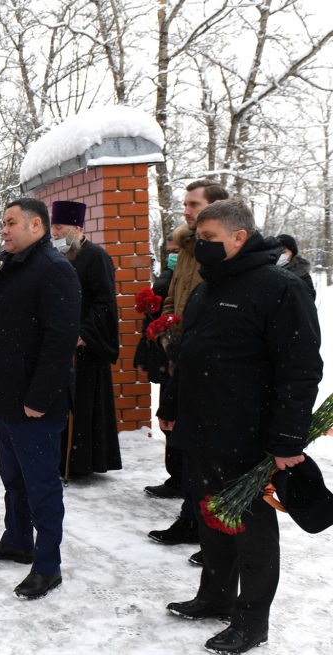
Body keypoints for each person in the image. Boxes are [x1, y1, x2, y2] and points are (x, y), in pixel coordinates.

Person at [158, 199, 322, 654]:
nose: (201, 247)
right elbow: (186, 357)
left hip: (248, 435)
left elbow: (301, 368)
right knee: (211, 520)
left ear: (239, 238)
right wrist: (171, 404)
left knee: (251, 530)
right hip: (201, 428)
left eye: (209, 239)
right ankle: (214, 596)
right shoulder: (206, 290)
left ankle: (252, 621)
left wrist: (288, 438)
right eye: (199, 240)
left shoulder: (279, 289)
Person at [0, 197, 81, 600]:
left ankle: (48, 565)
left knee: (41, 485)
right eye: (4, 222)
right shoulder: (16, 265)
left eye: (12, 222)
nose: (4, 229)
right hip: (7, 397)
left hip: (34, 403)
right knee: (13, 477)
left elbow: (60, 339)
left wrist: (39, 397)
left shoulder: (54, 269)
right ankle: (17, 539)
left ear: (37, 226)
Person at [147, 179, 228, 554]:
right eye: (185, 204)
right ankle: (190, 517)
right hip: (180, 355)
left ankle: (206, 526)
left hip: (207, 364)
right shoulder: (188, 248)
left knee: (205, 450)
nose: (186, 210)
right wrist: (166, 329)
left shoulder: (219, 253)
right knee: (184, 439)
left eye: (193, 204)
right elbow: (171, 298)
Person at [49, 200, 121, 480]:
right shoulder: (56, 256)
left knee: (83, 403)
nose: (54, 232)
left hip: (85, 349)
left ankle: (80, 462)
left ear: (78, 228)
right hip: (59, 344)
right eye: (53, 226)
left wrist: (84, 334)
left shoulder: (95, 257)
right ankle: (59, 459)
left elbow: (104, 302)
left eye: (60, 226)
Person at [137, 235, 181, 499]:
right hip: (168, 358)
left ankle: (181, 477)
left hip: (180, 359)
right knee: (168, 418)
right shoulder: (169, 276)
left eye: (178, 250)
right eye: (170, 250)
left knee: (176, 420)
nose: (173, 254)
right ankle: (176, 476)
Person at [275, 233, 317, 300]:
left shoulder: (302, 272)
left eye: (283, 252)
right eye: (276, 251)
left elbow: (309, 300)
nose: (279, 255)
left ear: (292, 252)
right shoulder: (268, 269)